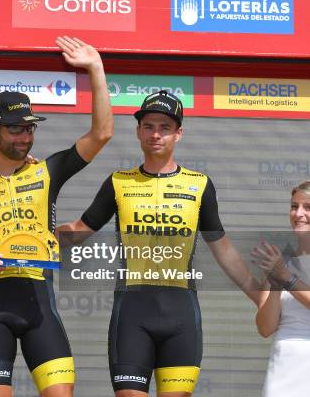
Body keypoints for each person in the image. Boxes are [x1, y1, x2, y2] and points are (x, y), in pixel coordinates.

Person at [0, 36, 114, 397]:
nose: (24, 137)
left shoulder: (46, 171)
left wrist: (96, 68)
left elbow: (102, 133)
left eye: (30, 128)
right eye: (15, 128)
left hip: (40, 305)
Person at [57, 90, 261, 396]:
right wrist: (26, 229)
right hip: (131, 314)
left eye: (165, 127)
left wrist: (260, 297)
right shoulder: (118, 182)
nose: (156, 134)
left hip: (181, 314)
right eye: (149, 126)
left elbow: (223, 249)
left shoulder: (199, 185)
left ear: (178, 134)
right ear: (138, 130)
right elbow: (78, 231)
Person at [253, 181, 310, 397]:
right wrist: (276, 281)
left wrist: (286, 277)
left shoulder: (283, 269)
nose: (299, 214)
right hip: (283, 367)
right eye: (294, 206)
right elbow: (265, 328)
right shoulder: (279, 261)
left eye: (308, 207)